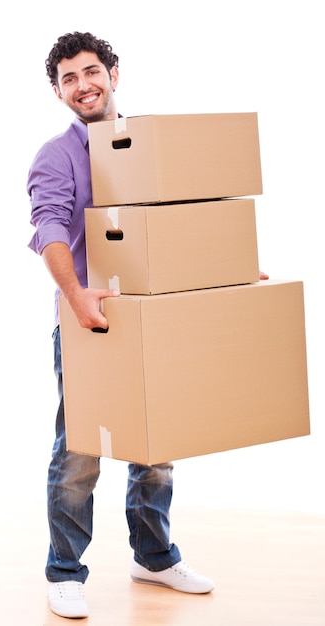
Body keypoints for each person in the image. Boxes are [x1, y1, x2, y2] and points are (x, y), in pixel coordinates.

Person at [27, 31, 267, 620]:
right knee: (82, 451)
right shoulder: (57, 156)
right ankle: (64, 571)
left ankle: (154, 556)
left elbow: (188, 211)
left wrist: (230, 267)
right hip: (93, 320)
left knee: (158, 445)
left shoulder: (151, 146)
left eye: (90, 72)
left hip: (159, 314)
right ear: (59, 94)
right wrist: (76, 294)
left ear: (113, 73)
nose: (82, 85)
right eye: (68, 79)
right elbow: (50, 228)